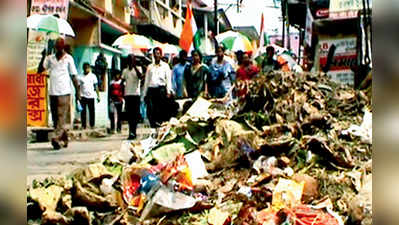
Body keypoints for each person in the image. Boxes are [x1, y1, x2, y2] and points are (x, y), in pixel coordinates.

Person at [38, 37, 80, 150]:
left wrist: (78, 92)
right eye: (57, 46)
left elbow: (74, 76)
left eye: (60, 46)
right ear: (55, 47)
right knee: (56, 117)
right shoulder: (50, 58)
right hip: (53, 92)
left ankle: (56, 138)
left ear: (63, 46)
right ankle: (64, 138)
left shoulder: (68, 58)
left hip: (65, 92)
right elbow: (40, 70)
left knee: (61, 116)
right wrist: (43, 56)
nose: (58, 48)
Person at [143, 47, 174, 128]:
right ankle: (153, 127)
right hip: (151, 90)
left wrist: (168, 91)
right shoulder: (150, 67)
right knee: (150, 110)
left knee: (160, 109)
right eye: (155, 54)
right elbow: (147, 80)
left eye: (158, 54)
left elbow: (168, 80)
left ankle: (160, 126)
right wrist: (145, 93)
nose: (156, 55)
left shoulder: (165, 66)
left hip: (161, 90)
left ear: (161, 55)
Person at [122, 54, 143, 140]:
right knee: (129, 115)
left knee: (135, 115)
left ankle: (134, 131)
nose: (130, 62)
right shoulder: (125, 71)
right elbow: (122, 80)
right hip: (128, 94)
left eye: (132, 60)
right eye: (129, 60)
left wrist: (135, 67)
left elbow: (140, 76)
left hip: (136, 94)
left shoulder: (138, 69)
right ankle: (131, 132)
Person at [78, 63, 100, 130]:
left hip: (91, 96)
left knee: (92, 111)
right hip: (83, 96)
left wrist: (98, 96)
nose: (86, 69)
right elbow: (78, 87)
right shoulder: (80, 77)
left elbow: (96, 86)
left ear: (89, 68)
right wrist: (78, 95)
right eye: (85, 68)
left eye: (87, 68)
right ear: (83, 68)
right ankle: (83, 125)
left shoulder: (93, 76)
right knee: (83, 112)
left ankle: (92, 125)